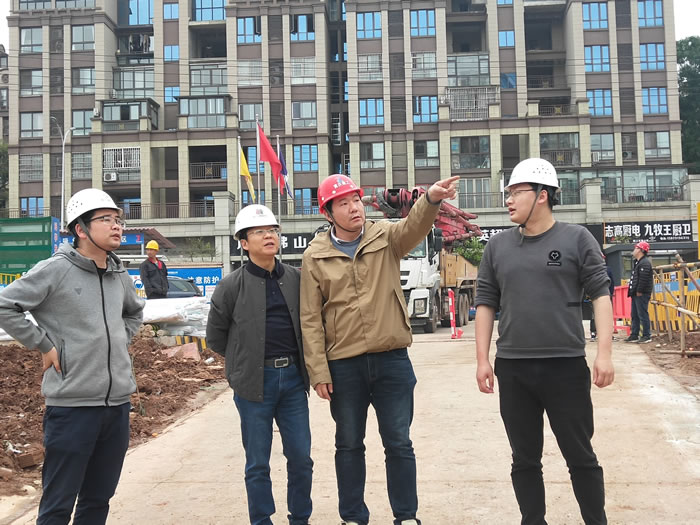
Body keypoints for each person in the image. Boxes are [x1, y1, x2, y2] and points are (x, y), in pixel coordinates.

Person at [301, 173, 459, 525]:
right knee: (348, 443)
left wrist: (431, 199)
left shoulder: (384, 236)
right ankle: (353, 516)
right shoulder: (315, 256)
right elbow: (310, 318)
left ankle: (406, 516)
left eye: (356, 200)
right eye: (344, 203)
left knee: (399, 442)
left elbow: (414, 226)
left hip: (392, 361)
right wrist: (318, 371)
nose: (354, 208)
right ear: (328, 213)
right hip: (344, 365)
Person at [474, 158, 615, 525]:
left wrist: (604, 354)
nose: (508, 200)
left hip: (565, 366)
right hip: (513, 368)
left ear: (541, 195)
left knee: (580, 455)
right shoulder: (497, 247)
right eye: (507, 193)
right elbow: (485, 303)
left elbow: (601, 295)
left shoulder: (576, 239)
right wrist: (482, 359)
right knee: (524, 458)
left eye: (515, 192)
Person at [0, 188, 144, 525]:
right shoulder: (56, 269)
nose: (117, 226)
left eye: (118, 219)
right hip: (72, 408)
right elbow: (6, 305)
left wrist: (118, 339)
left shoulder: (118, 273)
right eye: (106, 219)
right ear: (80, 229)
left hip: (117, 407)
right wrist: (44, 345)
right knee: (58, 505)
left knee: (98, 500)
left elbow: (134, 313)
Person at [206, 204, 313, 525]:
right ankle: (262, 520)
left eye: (272, 231)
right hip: (254, 383)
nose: (269, 236)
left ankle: (300, 518)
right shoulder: (231, 286)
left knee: (301, 458)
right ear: (243, 242)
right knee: (257, 462)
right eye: (259, 232)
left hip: (293, 380)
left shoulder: (296, 279)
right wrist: (243, 366)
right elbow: (216, 337)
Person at [626, 241, 653, 343]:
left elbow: (643, 279)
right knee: (635, 314)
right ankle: (634, 334)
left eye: (636, 248)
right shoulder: (638, 262)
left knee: (642, 314)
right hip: (636, 293)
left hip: (641, 293)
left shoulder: (644, 263)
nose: (634, 250)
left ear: (641, 250)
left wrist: (639, 290)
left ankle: (646, 335)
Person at [590, 256, 615, 341]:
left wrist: (610, 294)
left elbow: (612, 283)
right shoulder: (593, 269)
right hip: (597, 294)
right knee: (596, 315)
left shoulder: (606, 269)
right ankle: (594, 332)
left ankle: (603, 333)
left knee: (604, 314)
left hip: (603, 294)